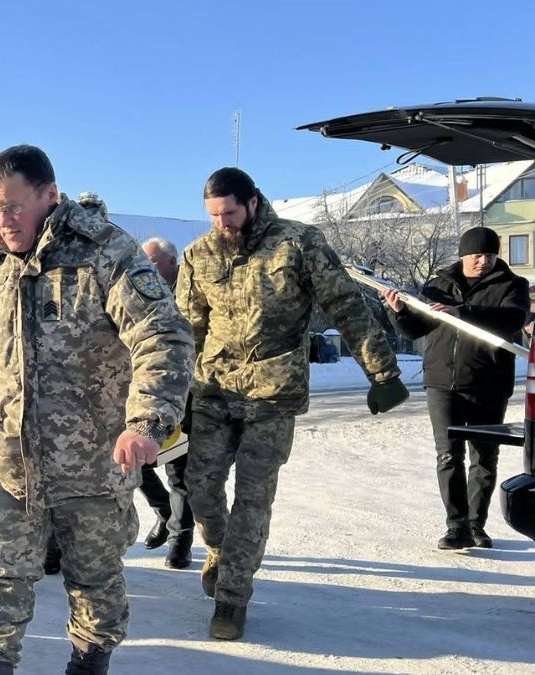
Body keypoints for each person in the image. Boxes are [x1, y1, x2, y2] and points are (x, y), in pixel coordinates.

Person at [0, 145, 194, 674]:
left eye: (15, 206)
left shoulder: (106, 253)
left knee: (95, 584)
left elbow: (163, 335)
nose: (4, 220)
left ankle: (89, 664)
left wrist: (147, 421)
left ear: (50, 195)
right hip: (10, 468)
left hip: (91, 468)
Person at [178, 167, 408, 641]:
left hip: (273, 391)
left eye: (230, 212)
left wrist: (382, 372)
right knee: (199, 487)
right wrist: (175, 390)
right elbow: (186, 329)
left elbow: (347, 306)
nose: (222, 223)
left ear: (253, 202)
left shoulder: (299, 243)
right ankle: (220, 551)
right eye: (214, 215)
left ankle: (232, 599)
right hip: (215, 389)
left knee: (253, 498)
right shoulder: (198, 254)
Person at [382, 226, 530, 550]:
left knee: (484, 456)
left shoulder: (512, 286)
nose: (484, 261)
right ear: (463, 255)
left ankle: (477, 525)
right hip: (441, 382)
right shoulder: (439, 285)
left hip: (488, 383)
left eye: (490, 255)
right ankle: (457, 526)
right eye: (477, 255)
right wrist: (398, 312)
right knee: (448, 454)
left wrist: (462, 313)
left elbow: (512, 320)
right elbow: (415, 329)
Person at [135, 237, 195, 569]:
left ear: (172, 263)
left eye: (153, 263)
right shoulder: (140, 295)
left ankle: (179, 540)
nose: (147, 269)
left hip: (185, 395)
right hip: (145, 396)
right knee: (135, 463)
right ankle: (163, 512)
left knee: (179, 473)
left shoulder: (190, 293)